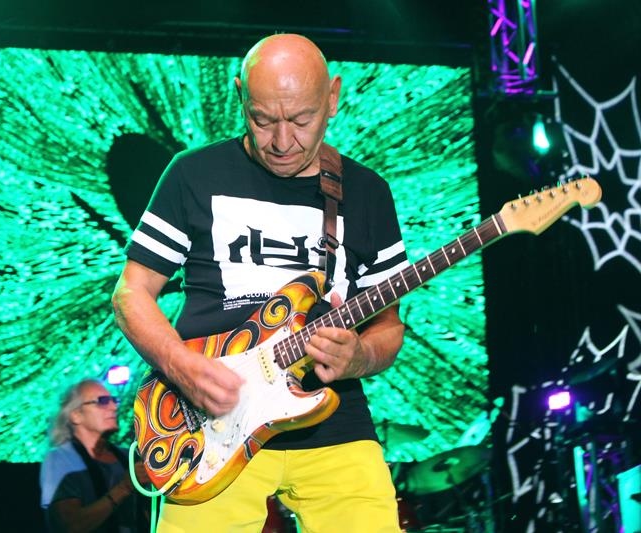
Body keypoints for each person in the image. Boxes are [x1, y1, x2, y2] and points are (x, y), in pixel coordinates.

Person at [112, 33, 408, 532]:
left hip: (334, 422)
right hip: (211, 422)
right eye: (263, 119)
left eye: (301, 120)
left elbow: (389, 326)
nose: (282, 141)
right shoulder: (193, 174)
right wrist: (181, 366)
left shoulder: (367, 193)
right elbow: (130, 293)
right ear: (240, 97)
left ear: (333, 97)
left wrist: (360, 356)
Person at [39, 379, 151, 533]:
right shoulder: (60, 460)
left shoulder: (128, 456)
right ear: (76, 415)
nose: (114, 407)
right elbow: (69, 526)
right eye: (102, 401)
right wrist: (125, 487)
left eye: (114, 400)